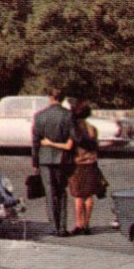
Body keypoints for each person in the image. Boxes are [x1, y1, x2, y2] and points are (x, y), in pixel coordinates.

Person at [30, 91, 75, 236]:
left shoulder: (39, 116)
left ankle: (53, 226)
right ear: (62, 99)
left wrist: (35, 162)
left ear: (50, 98)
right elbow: (74, 138)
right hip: (62, 158)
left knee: (49, 192)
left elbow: (35, 141)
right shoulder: (68, 115)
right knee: (61, 192)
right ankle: (62, 227)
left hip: (44, 158)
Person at [66, 100, 103, 234]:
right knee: (89, 196)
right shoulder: (92, 128)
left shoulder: (75, 129)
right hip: (91, 163)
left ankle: (78, 224)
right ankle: (87, 224)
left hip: (78, 163)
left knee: (78, 196)